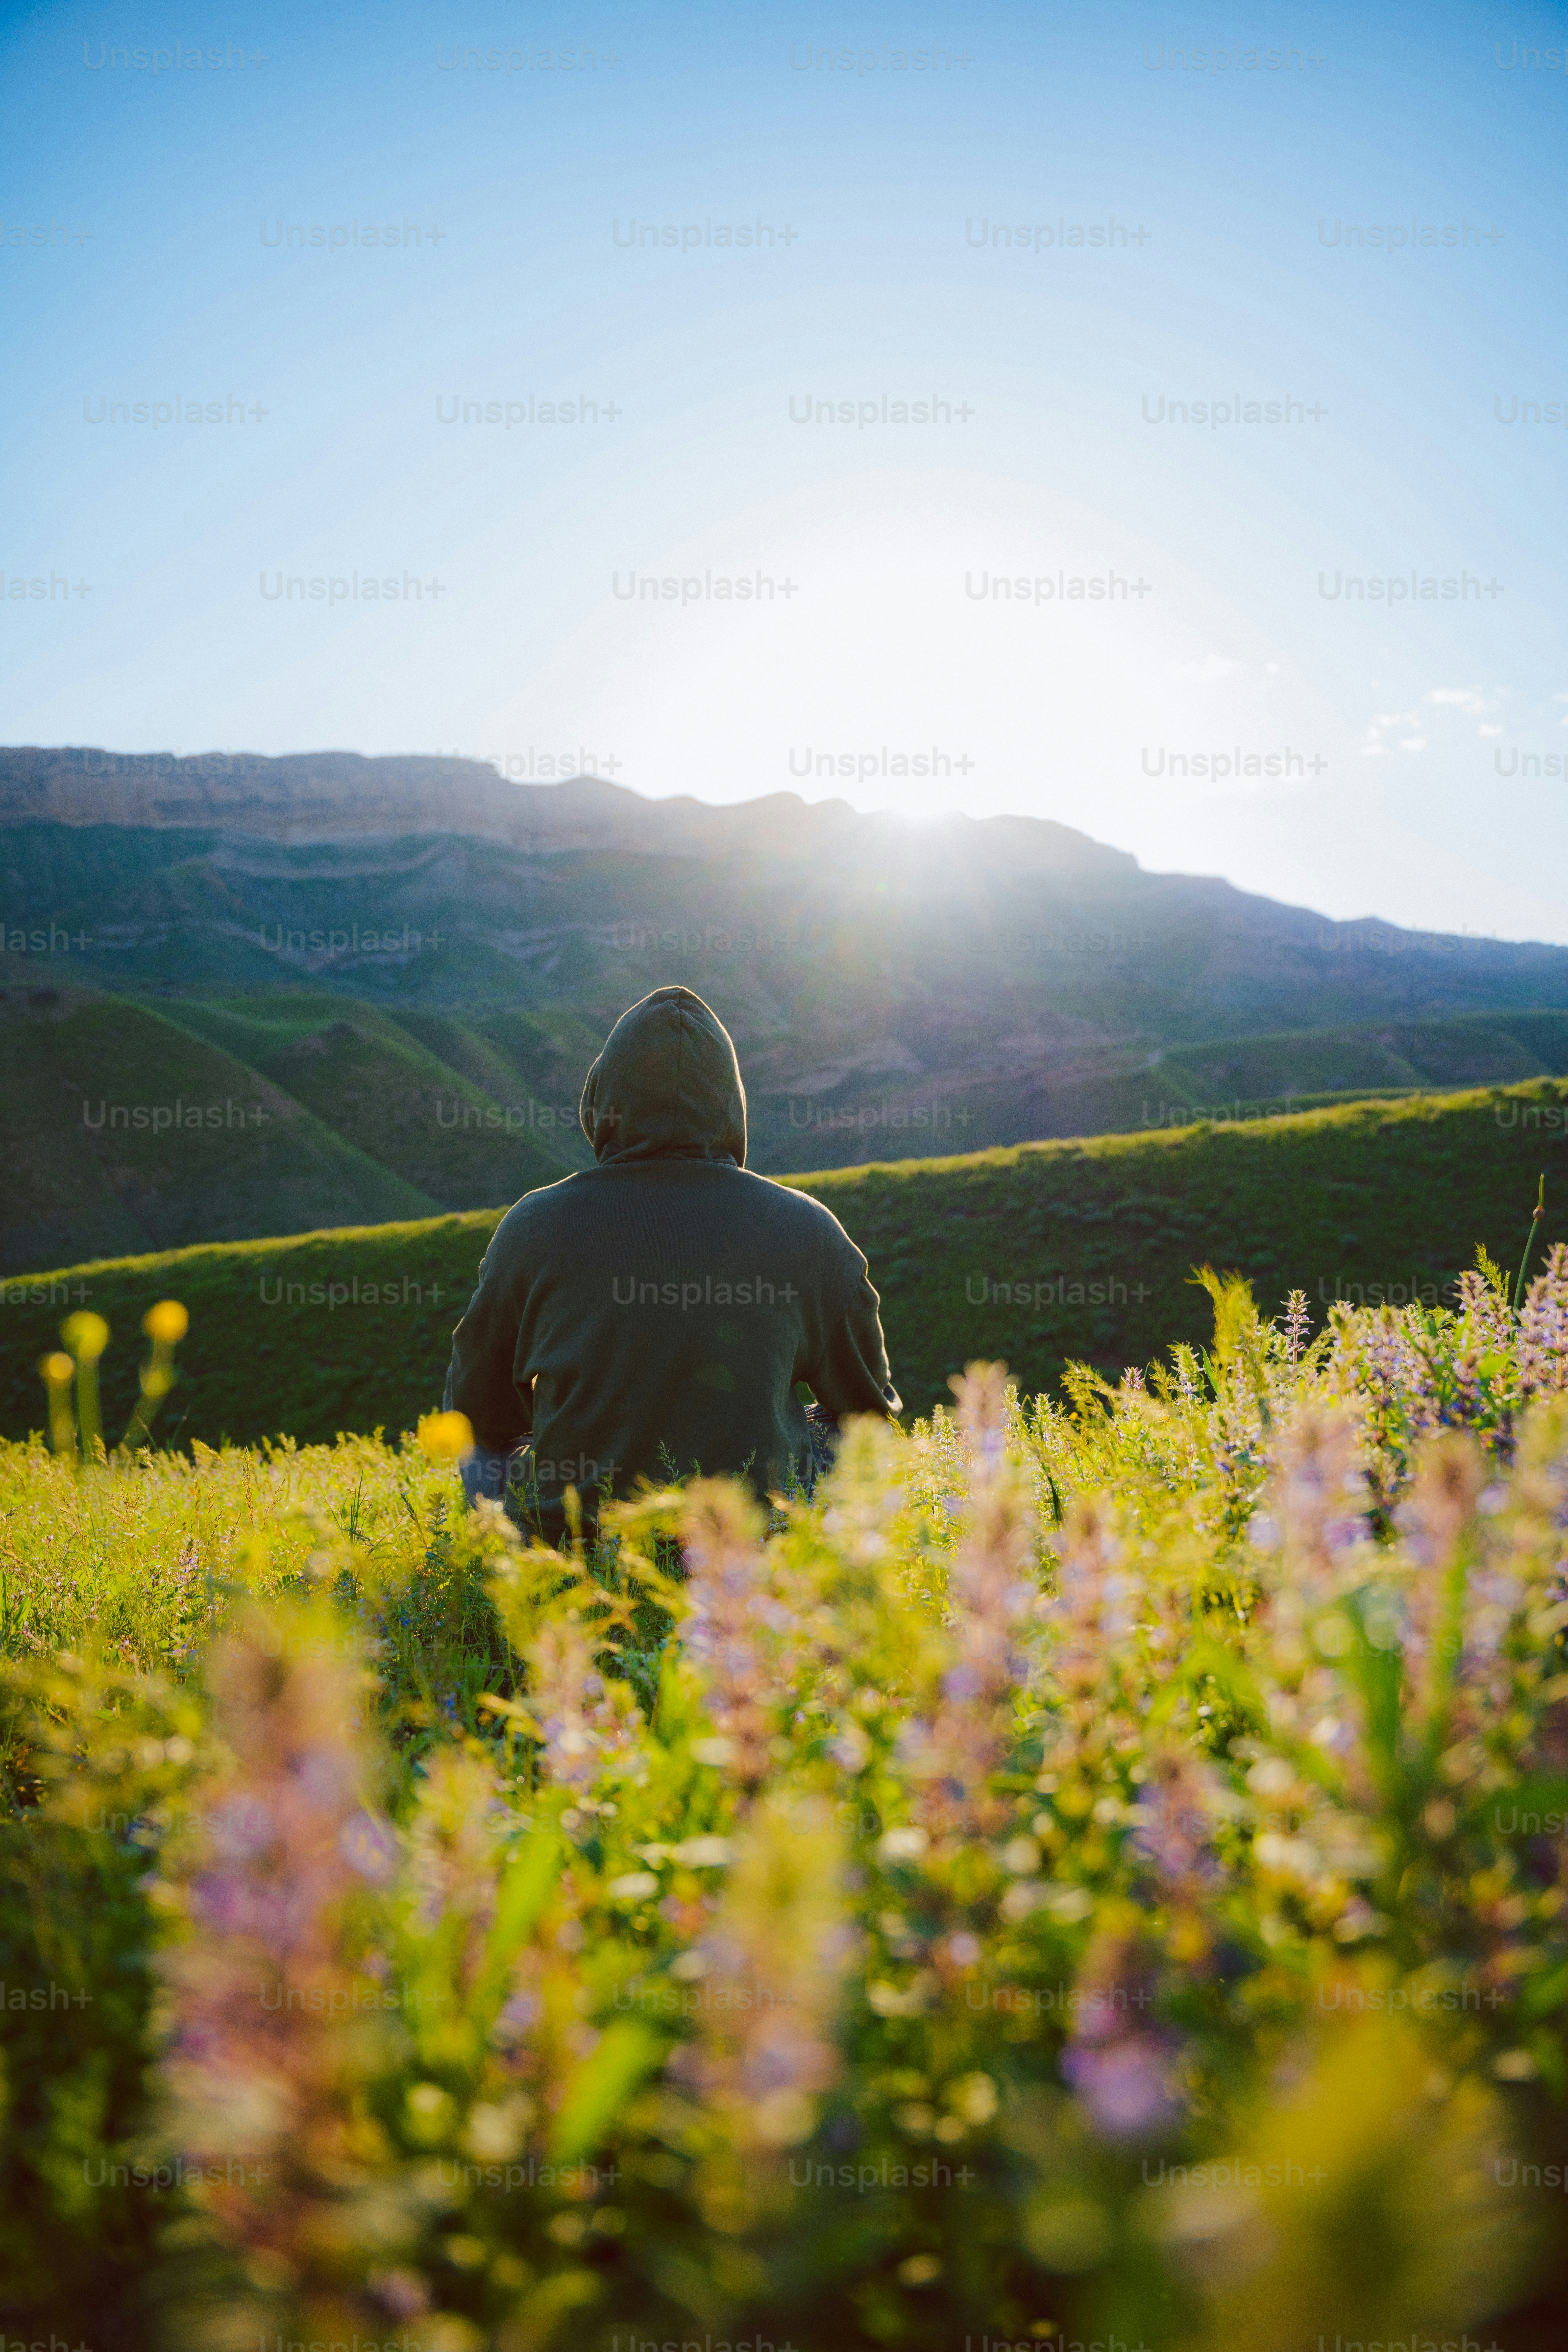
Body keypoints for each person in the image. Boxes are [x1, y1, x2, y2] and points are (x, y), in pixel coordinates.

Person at [443, 982, 900, 1538]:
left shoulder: (534, 1225)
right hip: (745, 1540)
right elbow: (866, 1413)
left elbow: (479, 1415)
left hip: (576, 1539)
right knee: (848, 1438)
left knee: (484, 1451)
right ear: (732, 1107)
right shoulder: (809, 1228)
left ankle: (512, 1570)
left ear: (602, 1101)